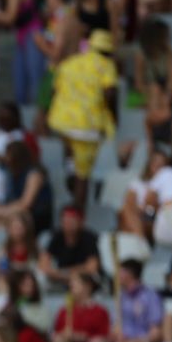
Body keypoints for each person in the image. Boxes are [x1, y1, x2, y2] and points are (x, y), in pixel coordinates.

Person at [47, 30, 118, 209]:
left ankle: (70, 168)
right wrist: (114, 117)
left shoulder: (70, 63)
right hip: (88, 126)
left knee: (72, 156)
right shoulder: (106, 65)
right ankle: (78, 214)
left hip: (61, 122)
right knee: (83, 175)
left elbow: (53, 91)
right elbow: (110, 93)